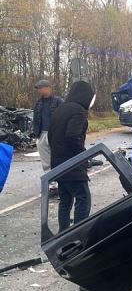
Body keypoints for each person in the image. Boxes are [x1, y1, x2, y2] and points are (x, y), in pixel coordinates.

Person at [48, 81, 95, 231]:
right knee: (83, 198)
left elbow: (50, 136)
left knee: (65, 201)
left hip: (58, 164)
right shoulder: (79, 111)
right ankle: (78, 234)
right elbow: (73, 136)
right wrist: (84, 156)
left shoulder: (60, 109)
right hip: (73, 165)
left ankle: (64, 232)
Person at [33, 80, 63, 194]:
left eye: (41, 88)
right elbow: (36, 119)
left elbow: (63, 117)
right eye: (38, 88)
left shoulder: (59, 102)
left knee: (57, 159)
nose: (40, 90)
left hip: (55, 134)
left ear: (48, 87)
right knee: (46, 162)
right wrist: (36, 134)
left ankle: (61, 183)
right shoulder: (38, 103)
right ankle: (52, 185)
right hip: (42, 134)